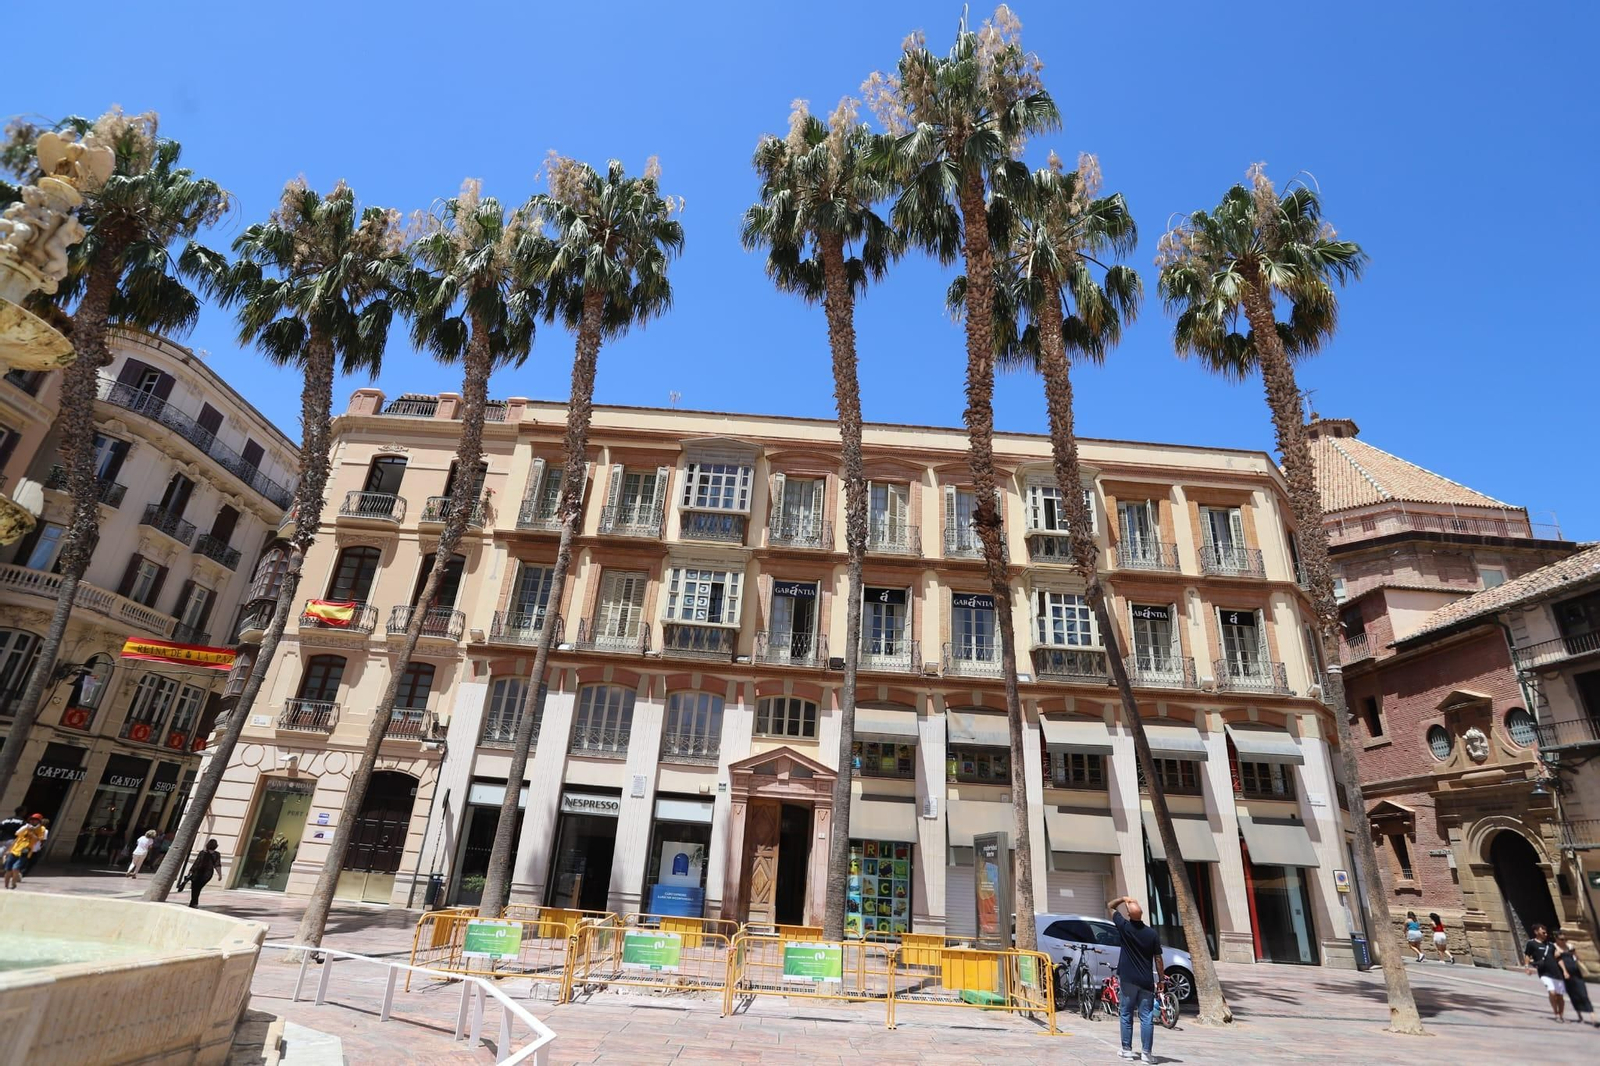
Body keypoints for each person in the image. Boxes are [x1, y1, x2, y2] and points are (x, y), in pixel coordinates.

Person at [1108, 894, 1165, 1065]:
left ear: (1128, 915)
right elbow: (1158, 958)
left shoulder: (1124, 927)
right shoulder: (1152, 934)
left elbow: (1110, 906)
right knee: (1146, 1016)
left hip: (1127, 979)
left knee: (1126, 1013)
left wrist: (1123, 899)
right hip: (1145, 980)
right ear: (1142, 915)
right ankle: (1146, 1054)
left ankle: (1126, 1050)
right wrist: (1161, 979)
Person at [1524, 923, 1566, 1022]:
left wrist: (1565, 971)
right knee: (1552, 992)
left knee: (1560, 996)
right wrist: (1526, 967)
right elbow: (1527, 955)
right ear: (1536, 932)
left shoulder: (1550, 945)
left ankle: (1561, 1015)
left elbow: (1558, 958)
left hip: (1557, 972)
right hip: (1544, 973)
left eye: (1546, 932)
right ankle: (1556, 1013)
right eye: (1543, 932)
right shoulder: (1531, 943)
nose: (1545, 934)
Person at [1554, 932, 1596, 1026]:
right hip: (1566, 974)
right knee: (1573, 995)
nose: (1563, 941)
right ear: (1556, 939)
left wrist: (1579, 962)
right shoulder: (1555, 948)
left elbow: (1576, 957)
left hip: (1576, 973)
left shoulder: (1569, 946)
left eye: (1564, 939)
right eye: (1561, 939)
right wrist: (1565, 972)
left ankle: (1592, 1016)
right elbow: (1558, 960)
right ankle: (1579, 1016)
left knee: (1583, 993)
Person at [4, 814, 46, 889]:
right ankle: (6, 885)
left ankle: (13, 883)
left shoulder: (41, 829)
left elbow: (37, 840)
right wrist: (9, 850)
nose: (32, 821)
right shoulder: (26, 827)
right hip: (15, 849)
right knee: (8, 869)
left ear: (39, 821)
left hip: (25, 851)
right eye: (31, 819)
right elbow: (17, 835)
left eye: (35, 820)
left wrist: (32, 832)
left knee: (15, 868)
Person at [179, 839, 222, 908]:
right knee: (198, 888)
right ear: (216, 846)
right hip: (207, 874)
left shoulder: (202, 852)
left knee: (195, 888)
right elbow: (217, 865)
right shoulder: (217, 854)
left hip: (197, 872)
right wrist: (220, 875)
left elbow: (197, 862)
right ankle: (194, 903)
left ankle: (194, 902)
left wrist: (190, 871)